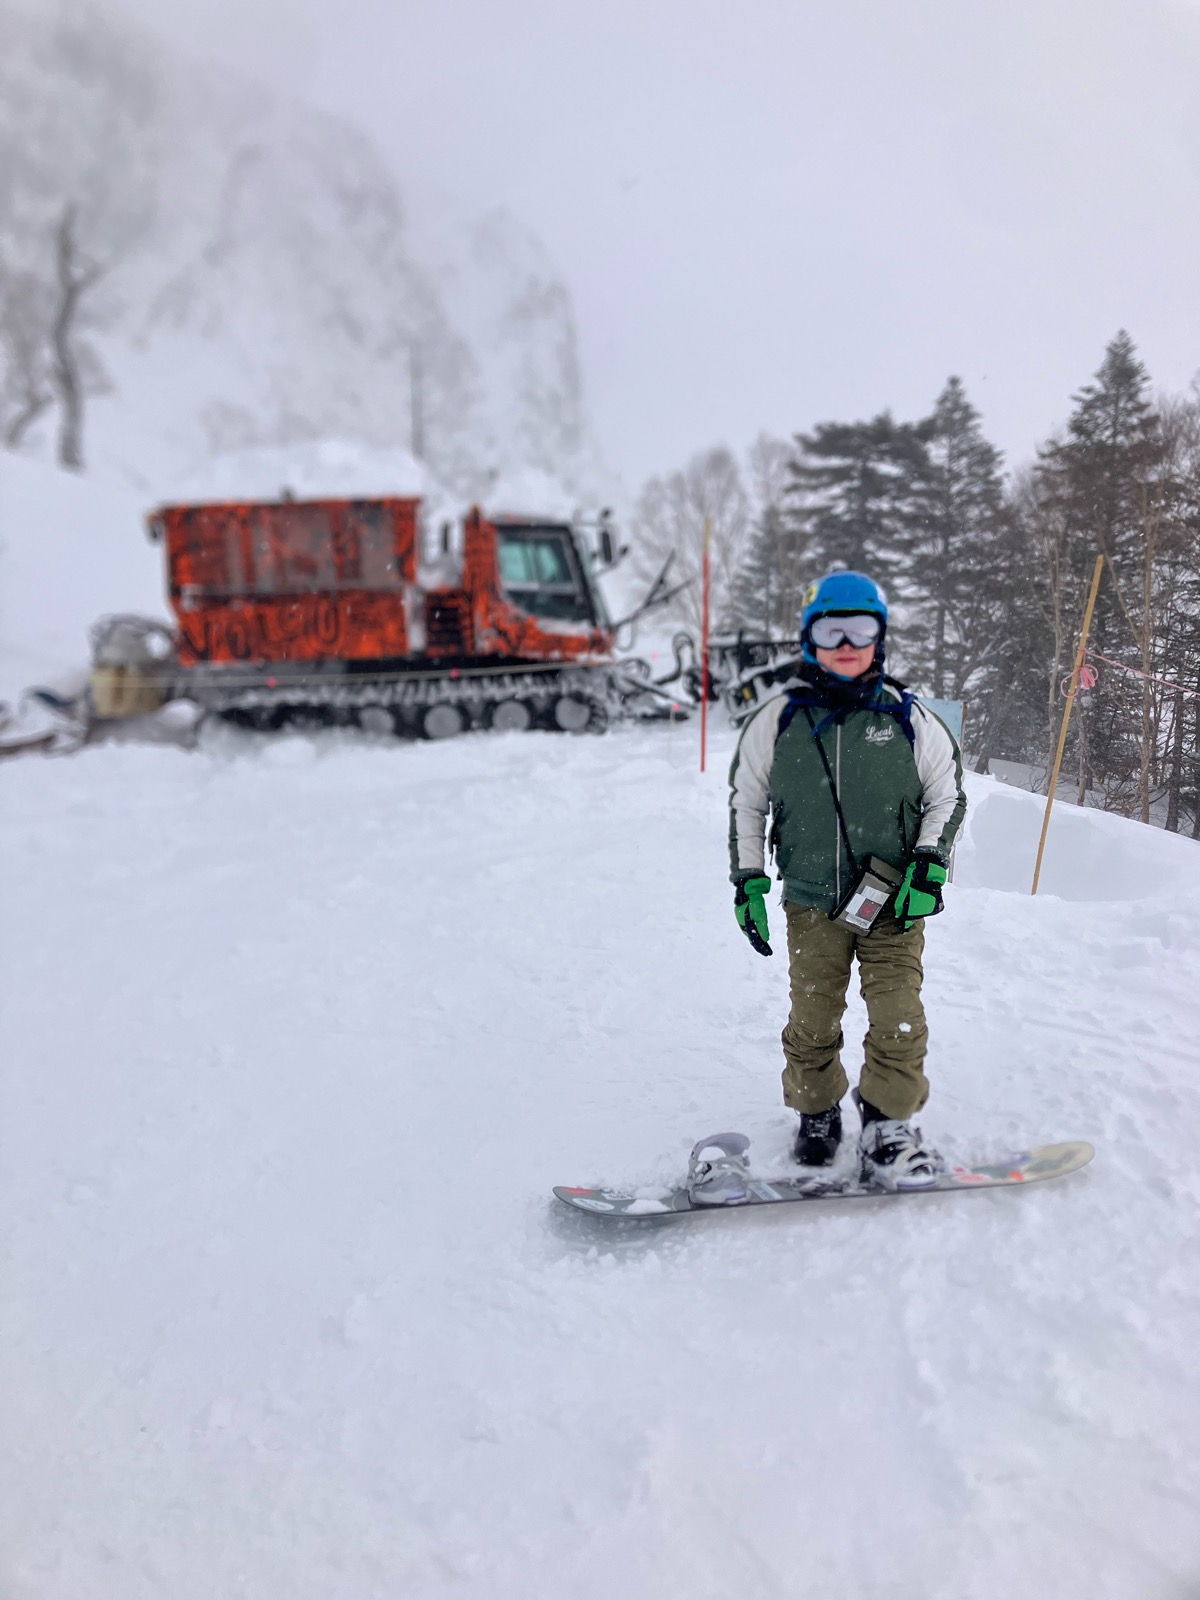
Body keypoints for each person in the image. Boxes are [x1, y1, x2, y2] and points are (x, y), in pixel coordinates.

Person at [727, 571, 967, 1190]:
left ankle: (888, 1122)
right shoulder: (777, 720)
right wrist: (748, 879)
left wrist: (929, 863)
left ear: (879, 638)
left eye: (860, 630)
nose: (845, 643)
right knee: (812, 1016)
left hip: (894, 900)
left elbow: (947, 795)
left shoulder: (910, 718)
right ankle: (817, 1111)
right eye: (830, 629)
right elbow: (746, 803)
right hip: (811, 901)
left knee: (897, 1013)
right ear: (809, 638)